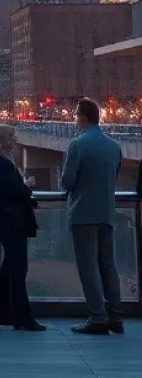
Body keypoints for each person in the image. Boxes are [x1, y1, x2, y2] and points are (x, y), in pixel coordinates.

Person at [61, 97, 124, 335]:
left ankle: (97, 318)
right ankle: (116, 317)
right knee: (108, 264)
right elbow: (115, 175)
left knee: (88, 267)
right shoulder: (114, 146)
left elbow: (68, 180)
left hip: (82, 213)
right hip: (107, 212)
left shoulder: (77, 144)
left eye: (76, 114)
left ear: (83, 118)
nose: (74, 118)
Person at [0, 124, 44, 332]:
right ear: (3, 140)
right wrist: (25, 188)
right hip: (12, 221)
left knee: (9, 267)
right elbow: (15, 191)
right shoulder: (1, 164)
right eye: (12, 137)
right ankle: (22, 316)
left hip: (7, 220)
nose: (15, 140)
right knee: (18, 268)